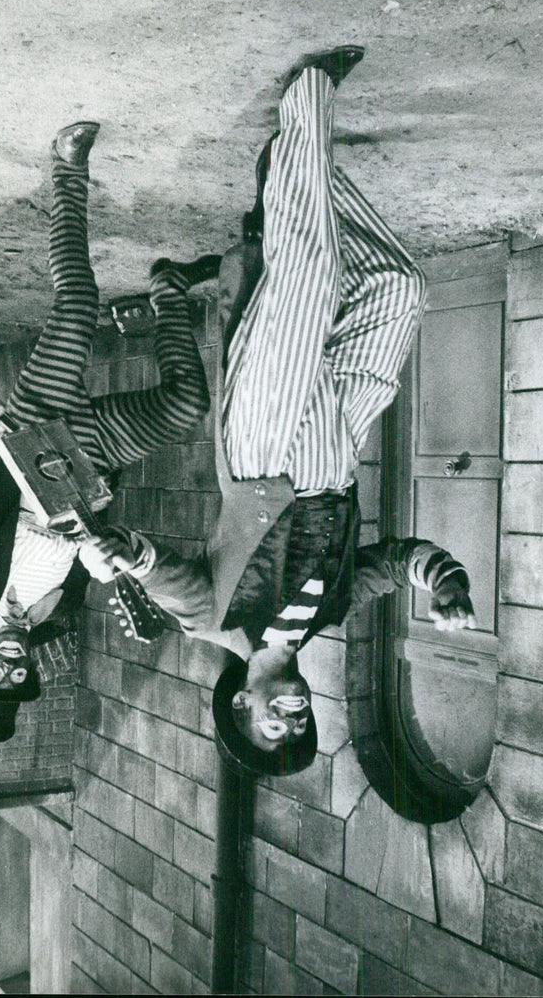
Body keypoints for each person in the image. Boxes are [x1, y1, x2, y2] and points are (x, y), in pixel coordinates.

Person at [80, 48, 477, 776]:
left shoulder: (213, 623)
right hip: (336, 450)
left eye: (274, 727)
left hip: (262, 452)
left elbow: (157, 569)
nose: (293, 718)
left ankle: (307, 98)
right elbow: (389, 565)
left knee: (306, 283)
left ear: (240, 707)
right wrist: (444, 581)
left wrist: (123, 554)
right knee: (398, 288)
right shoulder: (325, 617)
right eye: (301, 727)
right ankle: (290, 173)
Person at [0, 121, 217, 742]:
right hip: (91, 460)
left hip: (30, 436)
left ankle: (67, 169)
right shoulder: (59, 616)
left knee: (77, 305)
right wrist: (105, 554)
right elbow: (91, 538)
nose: (9, 665)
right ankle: (167, 292)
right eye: (17, 678)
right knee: (188, 405)